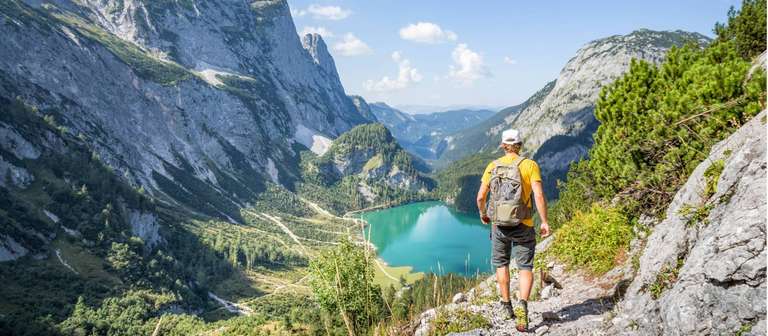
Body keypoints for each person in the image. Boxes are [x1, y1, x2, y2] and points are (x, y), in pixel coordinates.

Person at [476, 128, 550, 332]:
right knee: (525, 267)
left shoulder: (493, 166)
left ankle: (506, 305)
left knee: (502, 263)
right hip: (523, 223)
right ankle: (522, 306)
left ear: (503, 145)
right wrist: (544, 221)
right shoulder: (530, 165)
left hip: (499, 224)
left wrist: (484, 214)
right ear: (520, 145)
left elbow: (481, 197)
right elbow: (539, 196)